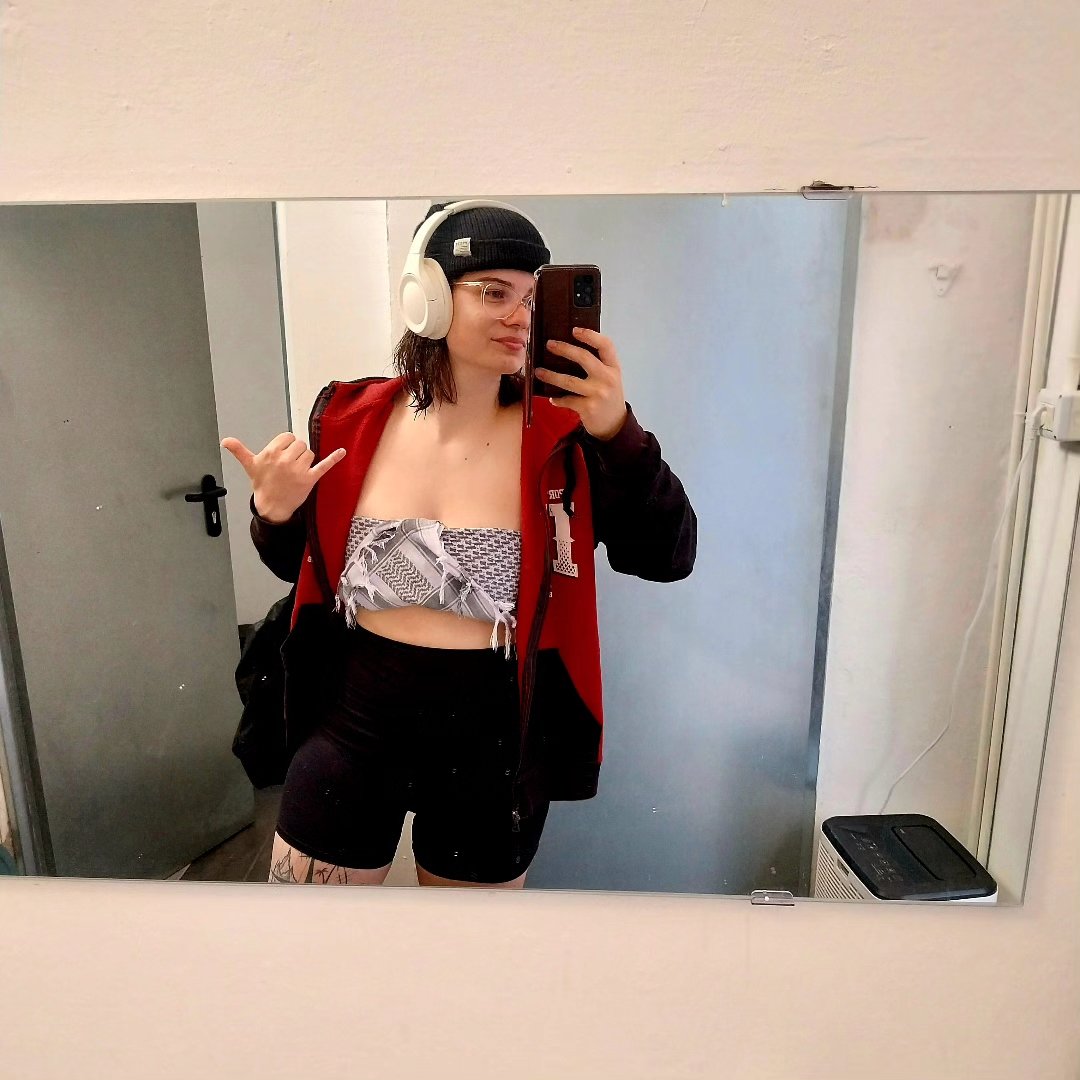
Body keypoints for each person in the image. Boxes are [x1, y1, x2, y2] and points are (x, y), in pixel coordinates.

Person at [222, 200, 696, 889]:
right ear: (431, 299)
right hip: (353, 722)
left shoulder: (563, 439)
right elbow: (296, 568)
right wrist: (274, 511)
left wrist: (618, 432)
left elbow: (668, 557)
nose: (520, 316)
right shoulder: (349, 418)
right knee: (309, 937)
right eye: (494, 292)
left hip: (492, 744)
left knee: (469, 953)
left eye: (531, 297)